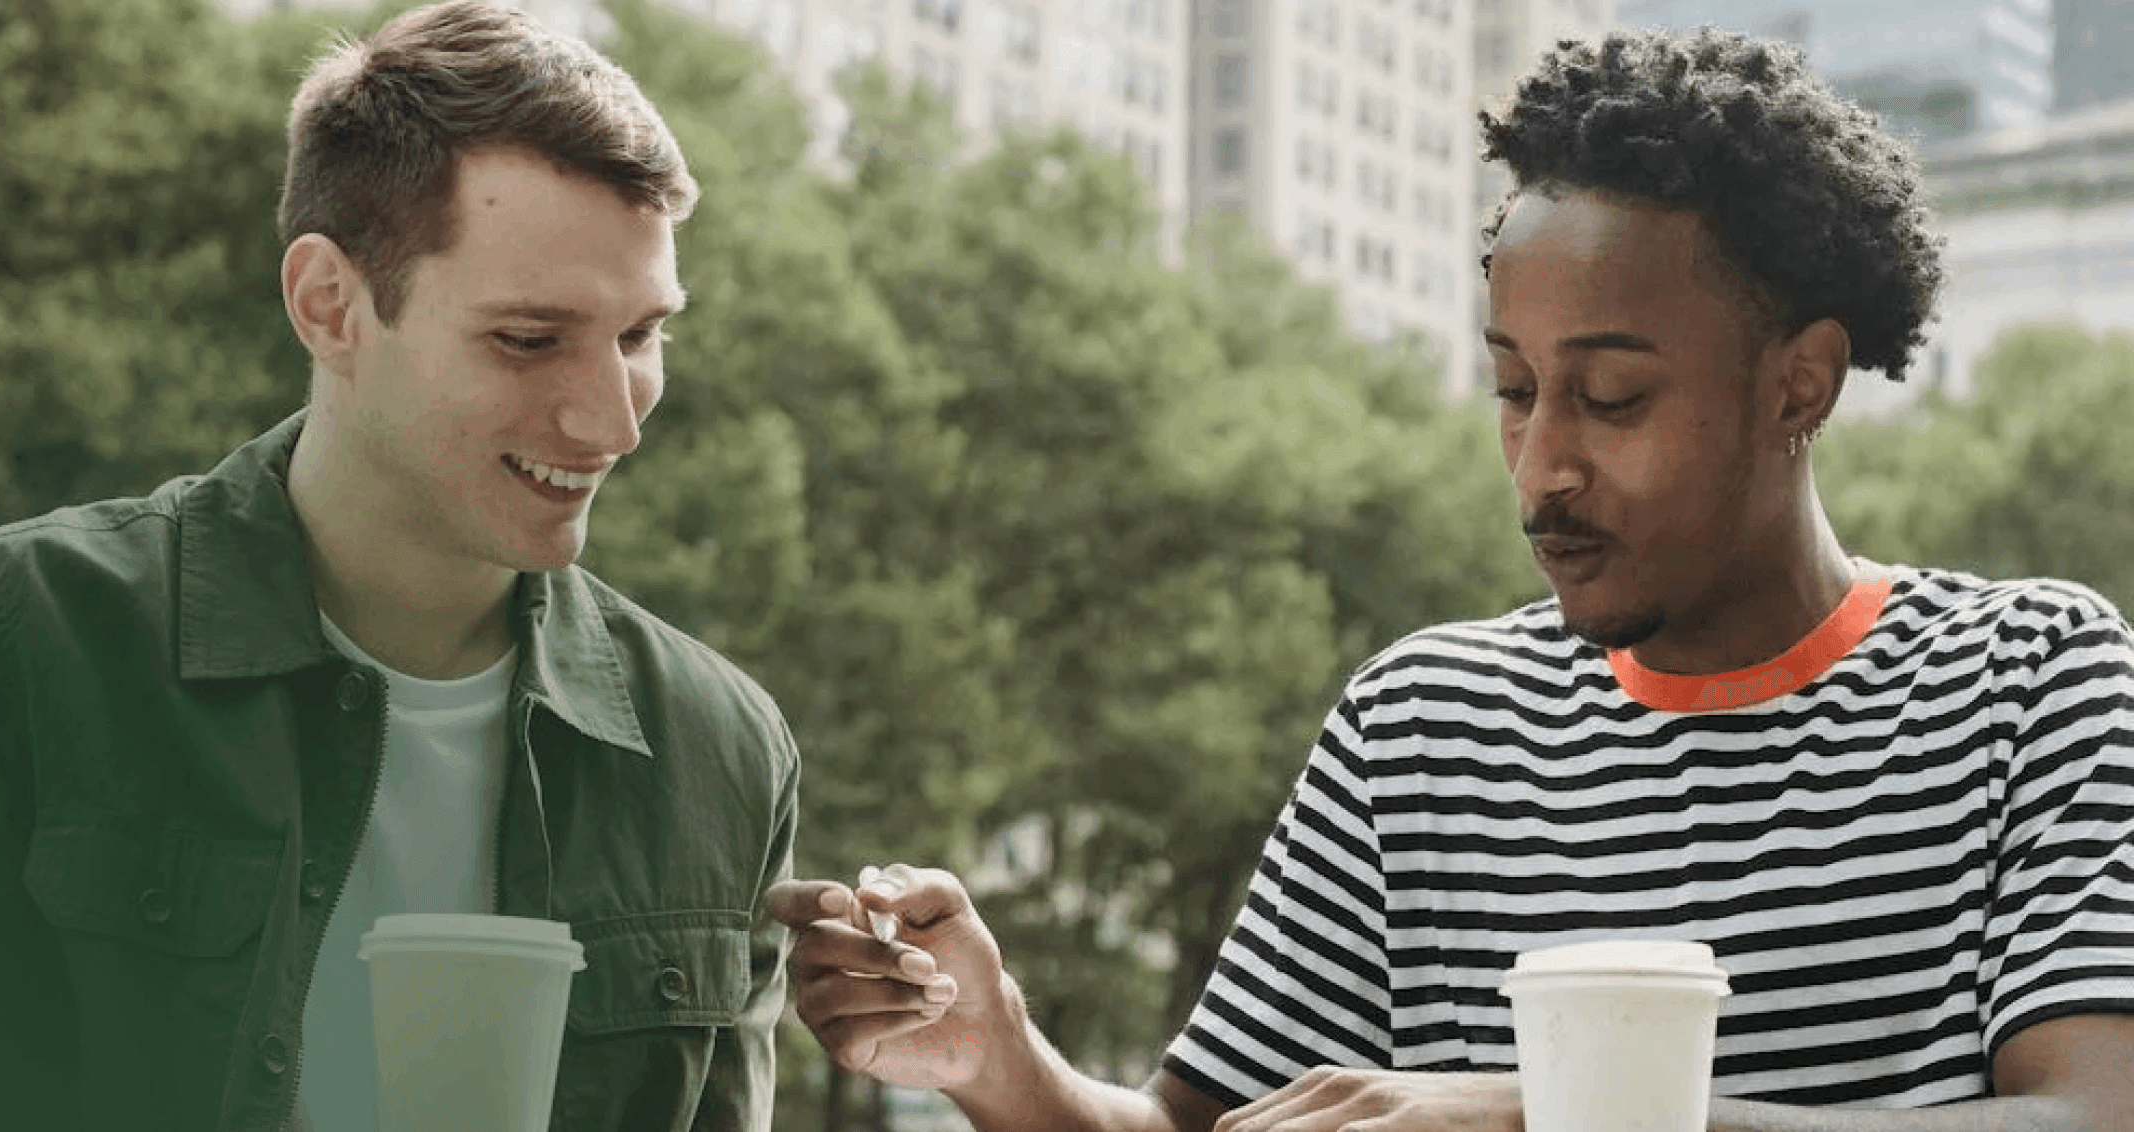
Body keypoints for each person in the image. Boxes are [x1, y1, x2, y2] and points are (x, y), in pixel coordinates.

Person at [768, 26, 2134, 1132]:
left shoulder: (2032, 683)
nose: (1541, 467)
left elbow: (2089, 1116)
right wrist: (999, 1060)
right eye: (1513, 388)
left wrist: (1554, 1117)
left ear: (1799, 382)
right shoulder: (1421, 726)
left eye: (1609, 396)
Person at [0, 4, 798, 1130]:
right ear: (329, 307)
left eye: (641, 336)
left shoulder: (726, 750)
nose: (614, 421)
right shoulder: (16, 646)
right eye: (528, 338)